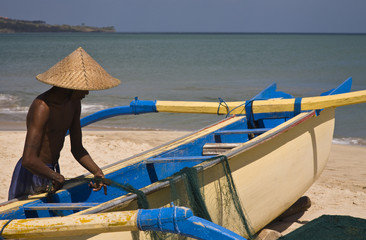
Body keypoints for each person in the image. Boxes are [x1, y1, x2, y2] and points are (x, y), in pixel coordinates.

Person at [8, 47, 120, 200]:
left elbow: (77, 148)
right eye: (84, 89)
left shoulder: (74, 104)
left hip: (52, 172)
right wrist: (56, 176)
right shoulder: (42, 107)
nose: (86, 93)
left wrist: (97, 172)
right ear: (70, 87)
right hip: (33, 173)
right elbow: (29, 160)